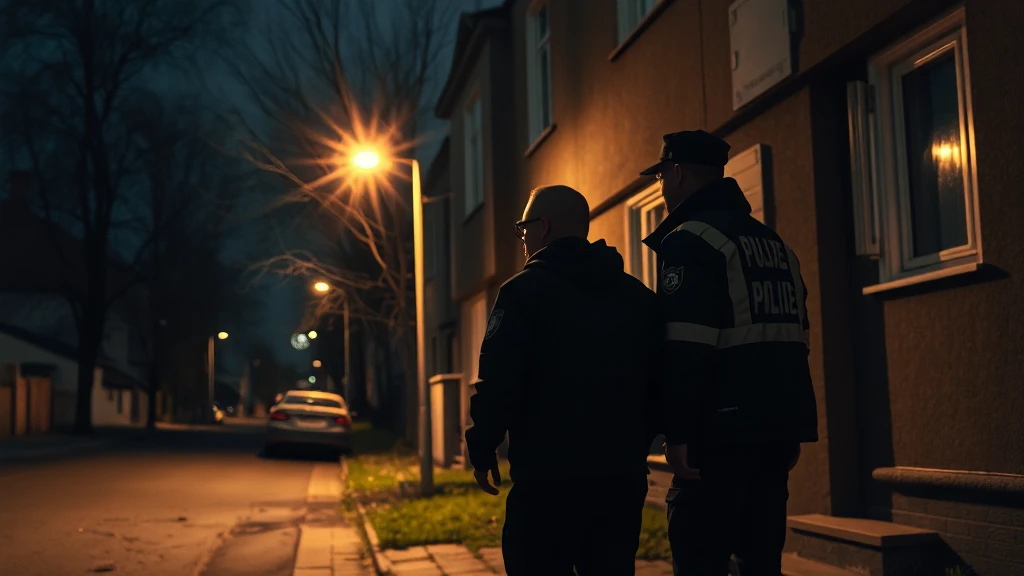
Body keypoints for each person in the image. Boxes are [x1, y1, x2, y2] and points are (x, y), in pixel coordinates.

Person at [638, 131, 818, 575]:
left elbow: (685, 346)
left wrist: (677, 432)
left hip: (716, 438)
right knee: (760, 561)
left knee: (700, 559)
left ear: (677, 173)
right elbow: (797, 339)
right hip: (775, 431)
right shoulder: (775, 244)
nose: (661, 187)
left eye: (661, 177)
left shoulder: (690, 241)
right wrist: (788, 427)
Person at [465, 185, 662, 575]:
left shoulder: (522, 293)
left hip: (547, 482)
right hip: (619, 480)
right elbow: (659, 378)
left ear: (543, 226)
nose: (522, 238)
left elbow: (499, 380)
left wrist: (483, 447)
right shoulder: (637, 296)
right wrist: (640, 442)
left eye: (523, 228)